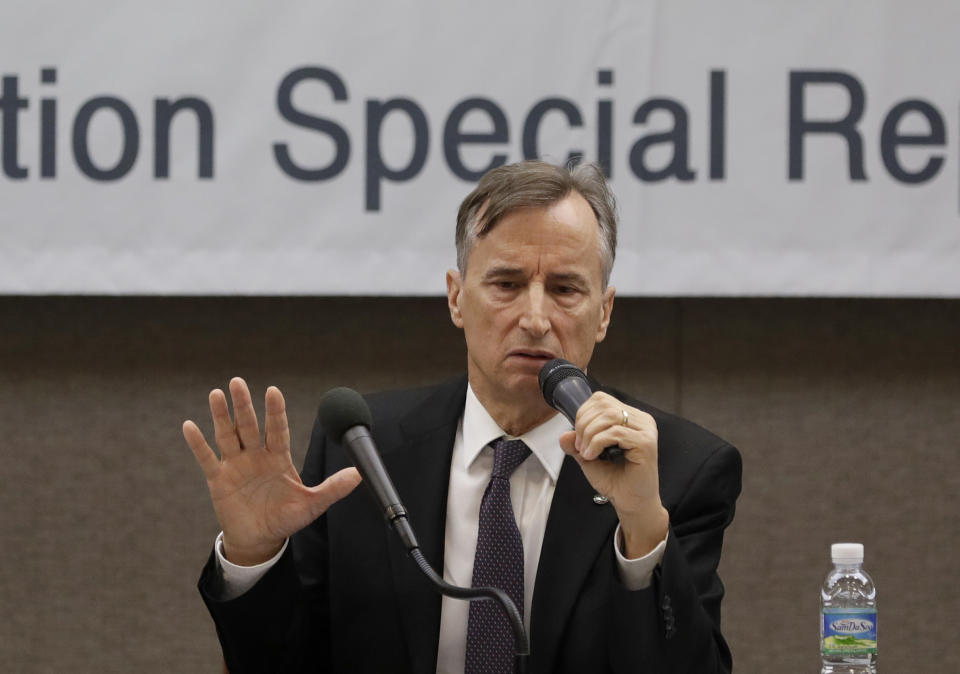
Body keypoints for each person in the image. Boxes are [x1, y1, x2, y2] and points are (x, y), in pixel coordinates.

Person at [184, 160, 742, 673]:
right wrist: (255, 556)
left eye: (566, 288)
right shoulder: (363, 449)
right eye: (506, 284)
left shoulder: (677, 468)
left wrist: (642, 525)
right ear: (456, 298)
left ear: (604, 313)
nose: (535, 317)